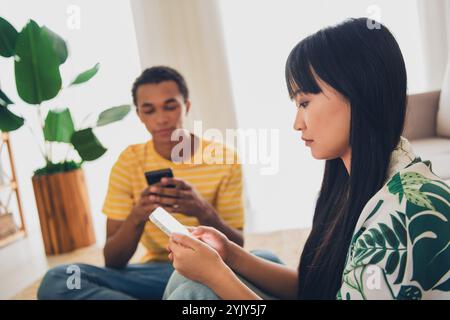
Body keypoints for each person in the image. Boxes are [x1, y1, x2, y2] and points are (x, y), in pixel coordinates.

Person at [163, 18, 450, 300]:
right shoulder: (354, 184)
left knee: (196, 290)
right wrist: (228, 253)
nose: (297, 123)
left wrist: (215, 274)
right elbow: (317, 288)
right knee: (219, 268)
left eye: (304, 102)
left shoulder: (400, 217)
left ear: (359, 93)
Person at [37, 66, 279, 300]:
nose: (161, 119)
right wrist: (138, 215)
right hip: (157, 273)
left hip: (211, 267)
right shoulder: (128, 162)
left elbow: (236, 247)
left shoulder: (224, 158)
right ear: (139, 114)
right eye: (149, 110)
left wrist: (202, 209)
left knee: (266, 259)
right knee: (60, 278)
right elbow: (113, 260)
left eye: (170, 106)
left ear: (187, 105)